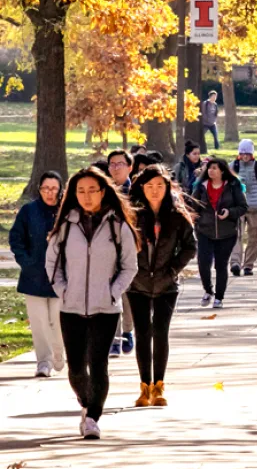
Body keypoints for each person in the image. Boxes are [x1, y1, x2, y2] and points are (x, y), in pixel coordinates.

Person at [46, 166, 139, 440]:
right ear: (74, 194)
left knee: (98, 364)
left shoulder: (117, 225)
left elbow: (129, 267)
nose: (86, 196)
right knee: (76, 366)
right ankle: (87, 404)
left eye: (92, 190)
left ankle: (93, 418)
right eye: (81, 191)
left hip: (106, 308)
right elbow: (52, 264)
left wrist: (114, 291)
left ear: (103, 192)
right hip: (70, 306)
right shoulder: (65, 227)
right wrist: (62, 290)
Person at [127, 165, 197, 408]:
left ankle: (159, 386)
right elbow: (121, 246)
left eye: (159, 185)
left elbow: (190, 247)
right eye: (149, 186)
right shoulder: (133, 215)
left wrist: (172, 270)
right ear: (141, 188)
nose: (154, 191)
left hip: (167, 284)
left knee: (160, 332)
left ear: (167, 187)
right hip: (137, 283)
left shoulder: (177, 216)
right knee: (143, 333)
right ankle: (144, 386)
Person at [9, 171, 64, 378]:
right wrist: (26, 262)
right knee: (39, 322)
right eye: (45, 188)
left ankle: (59, 353)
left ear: (60, 190)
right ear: (39, 189)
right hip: (33, 276)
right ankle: (44, 361)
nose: (49, 193)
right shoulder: (28, 211)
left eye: (54, 188)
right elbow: (16, 239)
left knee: (58, 320)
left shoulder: (66, 212)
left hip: (61, 276)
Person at [191, 158, 248, 309]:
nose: (211, 170)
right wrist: (196, 221)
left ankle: (219, 297)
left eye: (215, 168)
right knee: (203, 263)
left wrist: (229, 212)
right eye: (209, 168)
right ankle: (208, 290)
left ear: (222, 171)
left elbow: (243, 207)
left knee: (221, 266)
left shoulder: (233, 186)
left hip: (227, 233)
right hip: (204, 231)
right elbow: (193, 207)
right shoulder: (201, 187)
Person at [107, 150, 135, 357]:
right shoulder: (103, 192)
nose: (116, 168)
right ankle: (115, 339)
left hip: (132, 251)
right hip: (108, 250)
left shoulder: (137, 193)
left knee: (128, 296)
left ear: (129, 167)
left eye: (120, 164)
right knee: (112, 293)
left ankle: (128, 330)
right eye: (112, 164)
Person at [229, 140, 257, 277]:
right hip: (237, 208)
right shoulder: (233, 166)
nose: (244, 156)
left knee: (254, 237)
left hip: (254, 208)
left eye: (247, 153)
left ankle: (248, 265)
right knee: (236, 236)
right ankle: (235, 263)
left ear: (252, 154)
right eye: (242, 153)